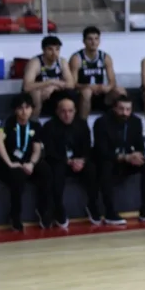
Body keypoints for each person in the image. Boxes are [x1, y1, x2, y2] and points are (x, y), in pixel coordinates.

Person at [40, 97, 105, 227]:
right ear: (58, 112)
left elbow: (87, 147)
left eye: (70, 111)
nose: (67, 114)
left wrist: (81, 160)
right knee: (56, 171)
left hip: (79, 161)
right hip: (59, 161)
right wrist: (68, 161)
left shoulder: (82, 124)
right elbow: (50, 151)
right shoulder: (49, 126)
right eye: (63, 111)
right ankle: (58, 208)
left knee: (92, 168)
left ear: (75, 111)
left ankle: (92, 205)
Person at [93, 95, 145, 223]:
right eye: (121, 109)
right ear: (114, 108)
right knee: (106, 166)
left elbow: (141, 147)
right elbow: (101, 151)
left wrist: (137, 155)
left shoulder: (136, 122)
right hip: (110, 161)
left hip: (128, 161)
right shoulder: (102, 122)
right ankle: (110, 212)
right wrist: (124, 157)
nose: (125, 113)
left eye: (128, 109)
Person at [0, 94, 47, 232]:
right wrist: (10, 163)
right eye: (21, 108)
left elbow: (37, 149)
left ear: (32, 109)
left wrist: (32, 164)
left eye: (27, 107)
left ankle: (44, 211)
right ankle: (15, 216)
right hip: (9, 163)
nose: (24, 111)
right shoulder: (8, 122)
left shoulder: (35, 124)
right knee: (17, 177)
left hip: (27, 163)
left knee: (46, 171)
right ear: (15, 110)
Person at [69, 26, 128, 118]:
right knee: (87, 92)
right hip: (82, 94)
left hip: (100, 93)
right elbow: (72, 84)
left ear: (99, 41)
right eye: (90, 39)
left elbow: (112, 81)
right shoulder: (76, 58)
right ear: (84, 41)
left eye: (96, 39)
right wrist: (89, 87)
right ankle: (83, 126)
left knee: (120, 91)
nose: (93, 42)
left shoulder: (105, 57)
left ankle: (120, 122)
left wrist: (108, 87)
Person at [22, 35, 76, 116]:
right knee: (36, 94)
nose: (54, 53)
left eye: (57, 49)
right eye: (50, 49)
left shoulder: (62, 62)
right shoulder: (35, 62)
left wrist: (53, 87)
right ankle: (34, 123)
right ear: (43, 50)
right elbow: (26, 87)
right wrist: (50, 82)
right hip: (39, 94)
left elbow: (71, 84)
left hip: (53, 93)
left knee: (71, 94)